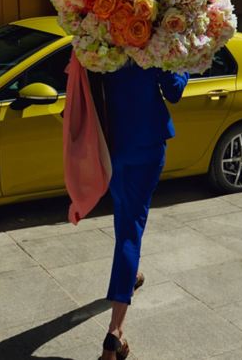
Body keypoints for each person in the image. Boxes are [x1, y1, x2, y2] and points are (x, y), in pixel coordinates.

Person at [88, 61, 190, 360]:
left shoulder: (102, 39)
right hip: (147, 145)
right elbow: (174, 92)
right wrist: (183, 66)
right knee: (131, 230)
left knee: (124, 218)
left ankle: (129, 275)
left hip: (113, 146)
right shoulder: (153, 43)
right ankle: (115, 332)